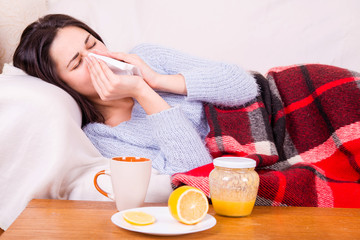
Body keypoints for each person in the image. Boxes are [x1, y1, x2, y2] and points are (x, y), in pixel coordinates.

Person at [13, 14, 258, 175]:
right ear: (63, 86)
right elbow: (195, 173)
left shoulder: (147, 56)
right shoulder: (102, 138)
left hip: (273, 104)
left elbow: (244, 85)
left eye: (91, 44)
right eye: (77, 63)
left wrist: (156, 80)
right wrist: (142, 92)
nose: (96, 59)